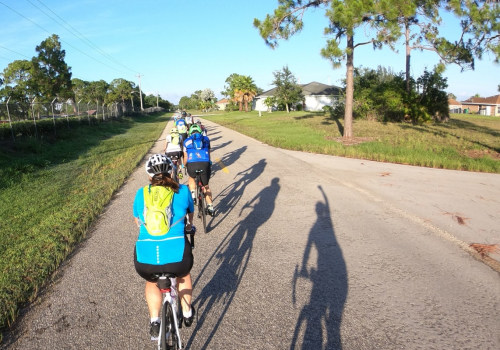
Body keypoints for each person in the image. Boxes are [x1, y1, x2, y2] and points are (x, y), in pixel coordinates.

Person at [133, 154, 196, 340]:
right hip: (177, 258)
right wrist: (188, 227)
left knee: (152, 280)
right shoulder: (183, 191)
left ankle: (154, 320)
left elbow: (137, 221)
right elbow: (190, 218)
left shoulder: (141, 193)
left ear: (149, 175)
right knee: (183, 275)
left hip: (146, 258)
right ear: (172, 171)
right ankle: (186, 312)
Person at [183, 124, 214, 216]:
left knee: (191, 178)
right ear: (200, 131)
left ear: (190, 132)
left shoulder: (187, 141)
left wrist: (184, 165)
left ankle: (192, 194)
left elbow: (185, 156)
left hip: (192, 164)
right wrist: (209, 163)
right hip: (205, 163)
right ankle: (210, 206)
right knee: (206, 186)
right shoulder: (206, 139)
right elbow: (208, 153)